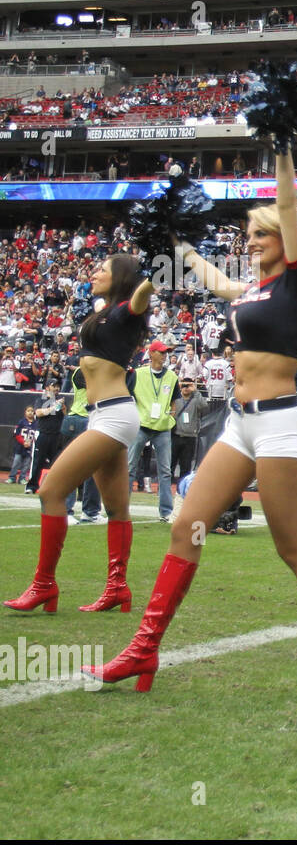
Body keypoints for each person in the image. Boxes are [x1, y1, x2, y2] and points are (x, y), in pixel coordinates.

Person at [86, 145, 297, 694]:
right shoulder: (253, 288)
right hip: (240, 422)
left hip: (279, 424)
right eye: (250, 233)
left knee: (294, 548)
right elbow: (213, 277)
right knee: (185, 524)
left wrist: (282, 146)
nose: (251, 241)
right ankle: (144, 651)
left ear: (288, 239)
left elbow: (288, 205)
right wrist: (178, 241)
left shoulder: (296, 283)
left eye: (261, 234)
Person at [5, 255, 150, 616]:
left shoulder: (125, 311)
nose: (94, 271)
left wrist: (166, 258)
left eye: (102, 268)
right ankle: (117, 588)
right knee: (117, 509)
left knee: (51, 490)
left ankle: (43, 585)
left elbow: (149, 287)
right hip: (105, 413)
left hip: (114, 416)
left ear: (121, 277)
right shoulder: (108, 312)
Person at [127, 341, 180, 522]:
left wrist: (171, 418)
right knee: (129, 468)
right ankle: (121, 508)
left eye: (167, 353)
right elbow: (126, 395)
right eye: (162, 352)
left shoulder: (172, 377)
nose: (165, 355)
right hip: (141, 426)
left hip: (162, 428)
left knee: (165, 471)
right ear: (152, 354)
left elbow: (174, 400)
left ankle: (166, 512)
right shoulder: (138, 374)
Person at [61, 368, 102, 524]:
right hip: (79, 419)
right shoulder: (80, 371)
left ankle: (91, 512)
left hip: (95, 420)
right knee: (73, 467)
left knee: (95, 469)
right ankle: (65, 511)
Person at [24, 380, 65, 494]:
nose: (56, 388)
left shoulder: (61, 400)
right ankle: (31, 486)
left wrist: (62, 407)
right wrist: (53, 407)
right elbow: (38, 413)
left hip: (56, 436)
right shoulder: (41, 399)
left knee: (58, 463)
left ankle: (57, 487)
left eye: (58, 386)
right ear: (47, 387)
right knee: (38, 462)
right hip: (43, 434)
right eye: (54, 386)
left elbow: (65, 416)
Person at [171, 378, 209, 481]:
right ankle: (165, 489)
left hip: (190, 437)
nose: (186, 388)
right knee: (170, 464)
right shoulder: (176, 399)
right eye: (184, 386)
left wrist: (196, 391)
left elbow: (204, 406)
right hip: (175, 435)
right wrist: (176, 388)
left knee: (186, 466)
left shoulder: (195, 400)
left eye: (188, 386)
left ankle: (181, 491)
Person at [7, 405, 38, 485]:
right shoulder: (21, 422)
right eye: (28, 411)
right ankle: (12, 477)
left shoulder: (36, 424)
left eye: (32, 411)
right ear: (25, 412)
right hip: (20, 446)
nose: (30, 412)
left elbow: (36, 435)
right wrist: (23, 442)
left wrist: (31, 443)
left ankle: (22, 478)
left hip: (30, 447)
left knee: (26, 464)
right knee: (16, 462)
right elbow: (17, 434)